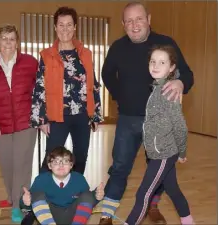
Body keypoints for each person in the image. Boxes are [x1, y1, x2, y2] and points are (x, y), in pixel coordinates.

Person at [100, 2, 194, 225]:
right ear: (123, 24)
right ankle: (107, 214)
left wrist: (181, 83)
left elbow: (188, 73)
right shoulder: (118, 47)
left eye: (139, 19)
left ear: (149, 19)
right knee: (120, 167)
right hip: (128, 120)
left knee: (160, 169)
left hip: (161, 123)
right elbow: (106, 74)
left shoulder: (166, 43)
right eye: (129, 21)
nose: (135, 25)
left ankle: (152, 206)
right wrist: (119, 95)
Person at [125, 44, 194, 225]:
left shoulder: (168, 93)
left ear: (171, 68)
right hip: (157, 152)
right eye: (153, 61)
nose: (155, 66)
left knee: (143, 194)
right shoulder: (157, 88)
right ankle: (188, 221)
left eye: (162, 62)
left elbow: (180, 126)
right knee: (172, 189)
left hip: (163, 154)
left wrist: (182, 152)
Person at [31, 6, 103, 175]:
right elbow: (39, 87)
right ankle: (40, 195)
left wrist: (96, 114)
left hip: (82, 116)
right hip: (57, 116)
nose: (65, 29)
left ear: (75, 27)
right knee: (52, 157)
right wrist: (41, 119)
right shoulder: (46, 56)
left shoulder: (85, 54)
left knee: (80, 157)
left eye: (69, 24)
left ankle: (74, 193)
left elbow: (93, 84)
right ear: (55, 27)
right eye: (61, 25)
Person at [0, 24, 38, 223]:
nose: (8, 43)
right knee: (7, 166)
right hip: (0, 125)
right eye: (4, 39)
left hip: (26, 123)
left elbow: (41, 91)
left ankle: (19, 204)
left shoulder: (30, 63)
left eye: (12, 39)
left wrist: (39, 117)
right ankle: (14, 197)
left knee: (21, 166)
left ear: (17, 42)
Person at [20, 146, 105, 225]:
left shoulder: (79, 179)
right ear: (49, 165)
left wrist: (96, 196)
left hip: (73, 218)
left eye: (65, 161)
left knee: (87, 195)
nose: (61, 165)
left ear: (71, 165)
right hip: (49, 217)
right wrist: (25, 201)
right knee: (36, 195)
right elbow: (27, 203)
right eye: (56, 162)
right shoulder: (41, 180)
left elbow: (88, 202)